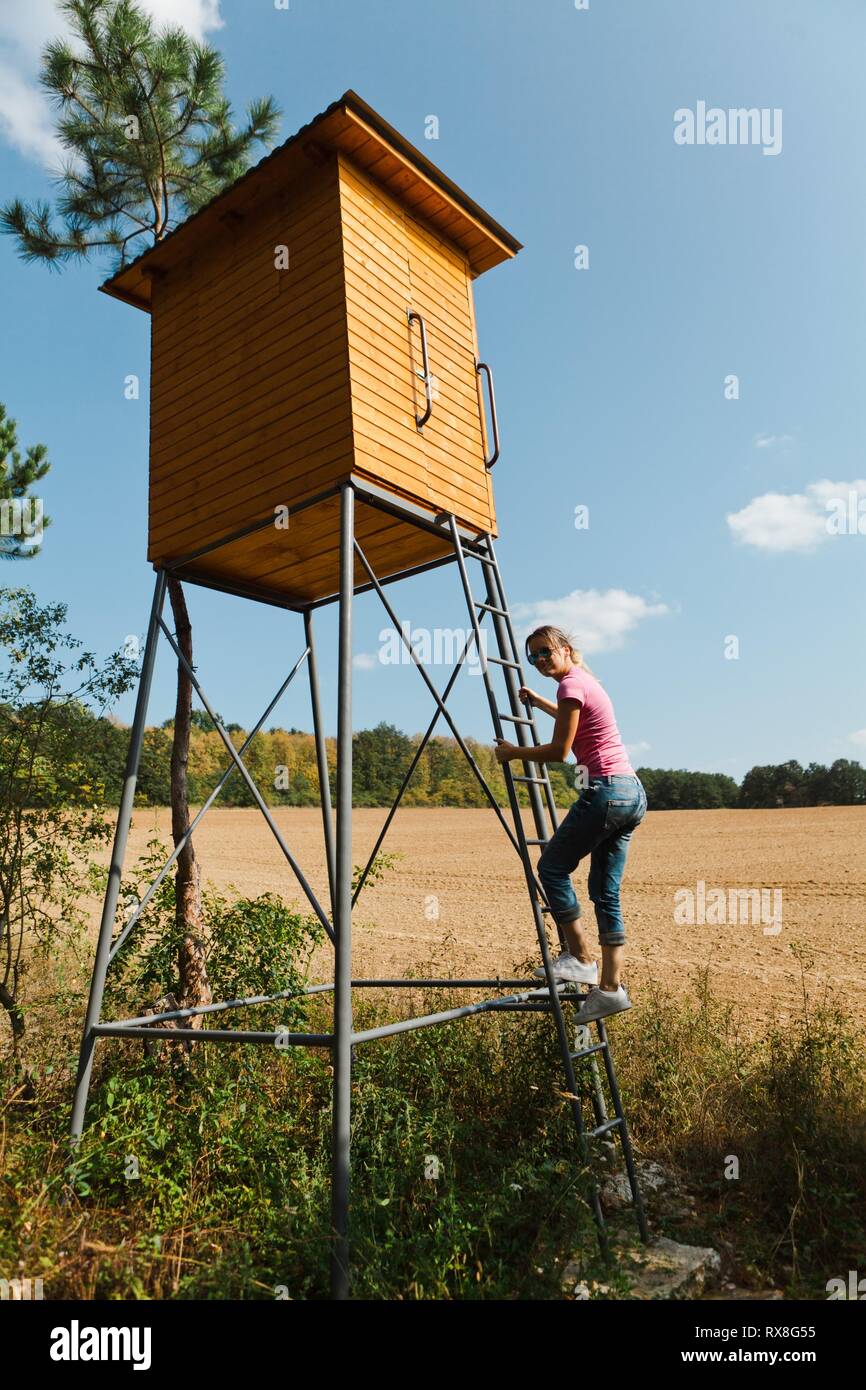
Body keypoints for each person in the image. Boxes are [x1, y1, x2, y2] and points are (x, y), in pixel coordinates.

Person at [493, 624, 646, 1022]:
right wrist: (540, 700)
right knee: (604, 893)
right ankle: (610, 989)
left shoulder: (570, 686)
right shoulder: (583, 682)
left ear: (564, 648)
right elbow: (572, 715)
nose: (541, 660)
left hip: (606, 791)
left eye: (546, 652)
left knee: (552, 867)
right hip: (632, 793)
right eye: (533, 657)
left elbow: (561, 751)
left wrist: (513, 753)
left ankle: (579, 958)